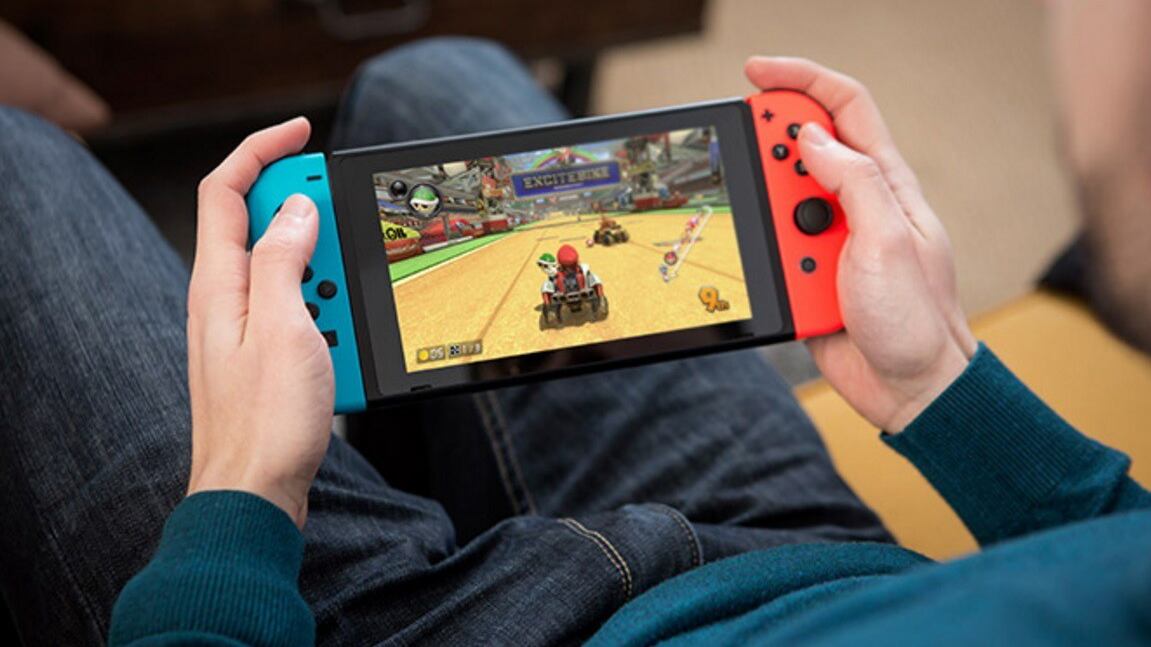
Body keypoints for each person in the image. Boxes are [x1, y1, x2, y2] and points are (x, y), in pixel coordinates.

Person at [0, 3, 1147, 645]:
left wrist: (242, 490)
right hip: (817, 571)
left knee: (16, 161)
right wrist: (938, 380)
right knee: (437, 74)